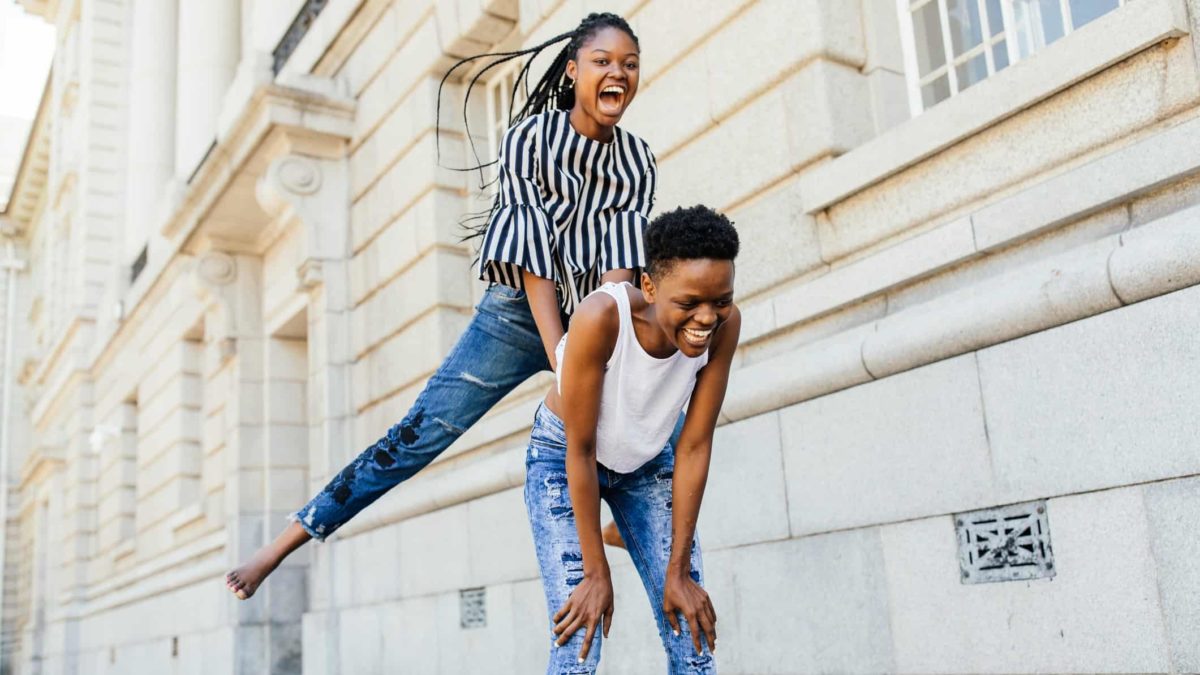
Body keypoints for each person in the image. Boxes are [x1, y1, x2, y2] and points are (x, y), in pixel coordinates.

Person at [226, 12, 655, 600]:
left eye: (630, 64)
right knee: (417, 435)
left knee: (667, 372)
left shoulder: (636, 160)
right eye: (602, 61)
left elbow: (618, 269)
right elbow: (531, 255)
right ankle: (283, 543)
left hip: (592, 315)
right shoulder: (530, 138)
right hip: (518, 314)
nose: (618, 73)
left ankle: (624, 520)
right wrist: (561, 354)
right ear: (573, 70)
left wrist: (600, 346)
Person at [526, 205, 740, 674]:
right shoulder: (602, 316)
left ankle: (630, 532)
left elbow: (694, 444)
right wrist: (595, 571)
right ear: (650, 286)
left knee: (691, 629)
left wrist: (678, 571)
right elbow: (580, 450)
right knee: (579, 633)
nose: (707, 317)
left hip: (646, 459)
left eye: (721, 300)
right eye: (690, 303)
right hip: (563, 457)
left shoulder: (725, 327)